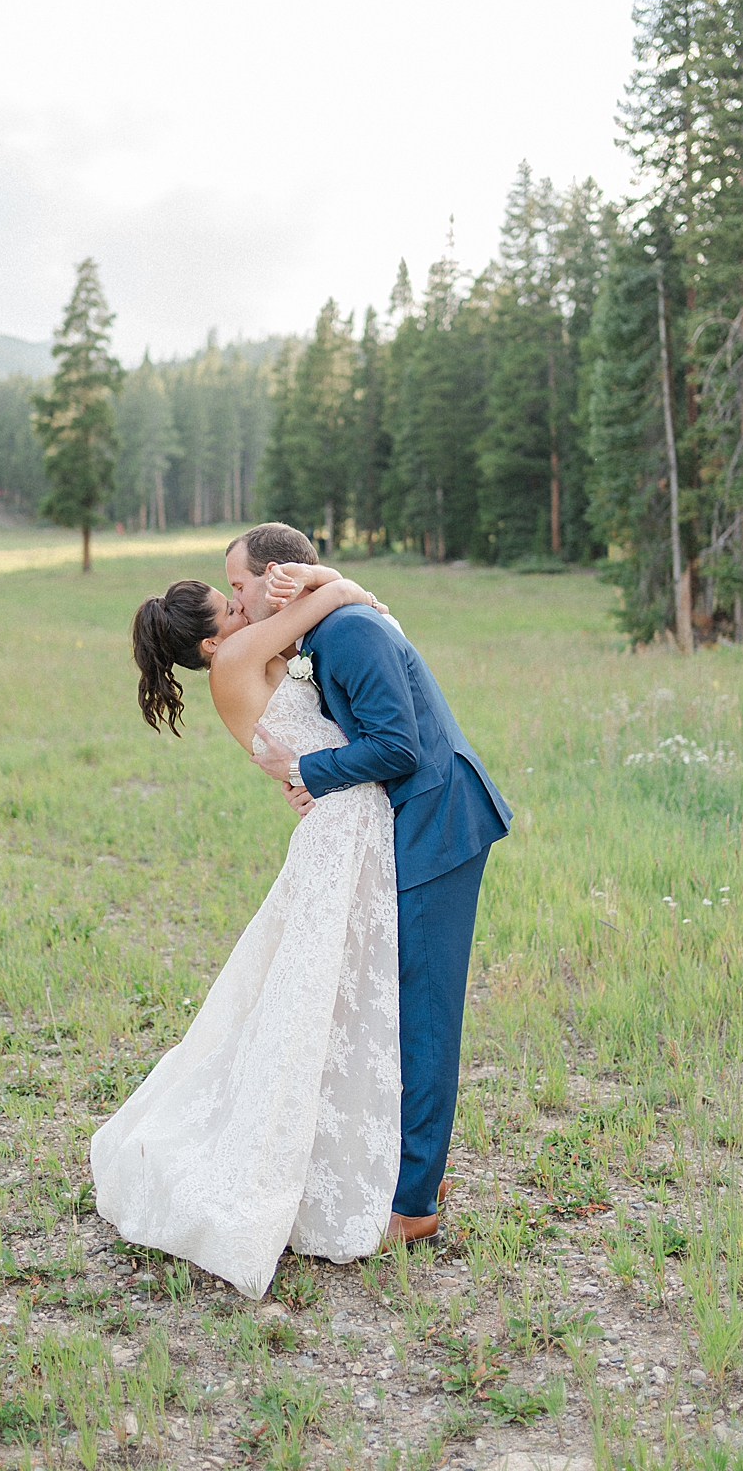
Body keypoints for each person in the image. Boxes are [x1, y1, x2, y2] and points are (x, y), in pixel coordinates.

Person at [91, 566, 401, 1298]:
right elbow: (335, 599)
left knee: (322, 990)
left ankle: (344, 1154)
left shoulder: (239, 660)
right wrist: (326, 580)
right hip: (341, 820)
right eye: (233, 606)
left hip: (334, 817)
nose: (246, 609)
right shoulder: (234, 657)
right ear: (206, 644)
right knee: (319, 994)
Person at [226, 523, 511, 1243]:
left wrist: (308, 773)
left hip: (439, 821)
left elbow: (398, 745)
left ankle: (415, 1207)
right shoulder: (325, 635)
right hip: (412, 823)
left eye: (238, 584)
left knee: (424, 1013)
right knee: (406, 1004)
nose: (235, 599)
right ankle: (420, 1172)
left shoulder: (349, 633)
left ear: (278, 578)